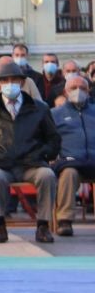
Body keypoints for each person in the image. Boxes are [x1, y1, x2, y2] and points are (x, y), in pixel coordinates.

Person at [0, 61, 60, 244]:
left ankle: (43, 225)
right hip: (0, 164)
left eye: (14, 80)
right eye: (5, 80)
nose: (9, 84)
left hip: (32, 164)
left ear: (21, 82)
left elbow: (53, 138)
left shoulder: (39, 108)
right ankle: (0, 225)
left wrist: (43, 154)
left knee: (47, 175)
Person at [52, 75, 95, 237]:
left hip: (93, 160)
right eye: (73, 88)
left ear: (88, 91)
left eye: (82, 88)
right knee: (69, 174)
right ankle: (65, 220)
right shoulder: (55, 114)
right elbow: (48, 141)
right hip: (71, 162)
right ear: (65, 91)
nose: (78, 91)